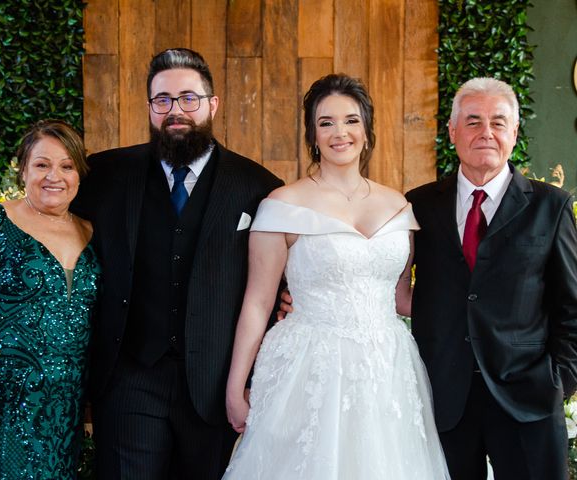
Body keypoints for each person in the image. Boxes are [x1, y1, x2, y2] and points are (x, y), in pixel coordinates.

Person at [223, 73, 450, 479]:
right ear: (312, 134)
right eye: (326, 122)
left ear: (366, 130)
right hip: (309, 369)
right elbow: (257, 302)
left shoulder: (399, 205)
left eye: (350, 120)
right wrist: (235, 387)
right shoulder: (282, 205)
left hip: (387, 367)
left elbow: (401, 297)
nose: (339, 132)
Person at [70, 48, 283, 479]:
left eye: (188, 98)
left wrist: (293, 298)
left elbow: (281, 270)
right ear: (150, 107)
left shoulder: (258, 187)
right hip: (129, 377)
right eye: (162, 100)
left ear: (212, 104)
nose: (176, 111)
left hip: (213, 382)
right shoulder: (105, 173)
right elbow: (50, 223)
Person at [405, 77, 577, 480]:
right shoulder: (418, 205)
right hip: (445, 400)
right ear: (452, 132)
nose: (486, 132)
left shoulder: (550, 208)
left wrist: (558, 382)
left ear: (514, 133)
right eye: (473, 121)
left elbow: (572, 306)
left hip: (529, 400)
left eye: (498, 122)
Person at [0, 119, 100, 478]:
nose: (53, 176)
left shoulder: (91, 230)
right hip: (5, 401)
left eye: (66, 165)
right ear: (22, 169)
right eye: (41, 164)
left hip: (67, 406)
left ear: (78, 173)